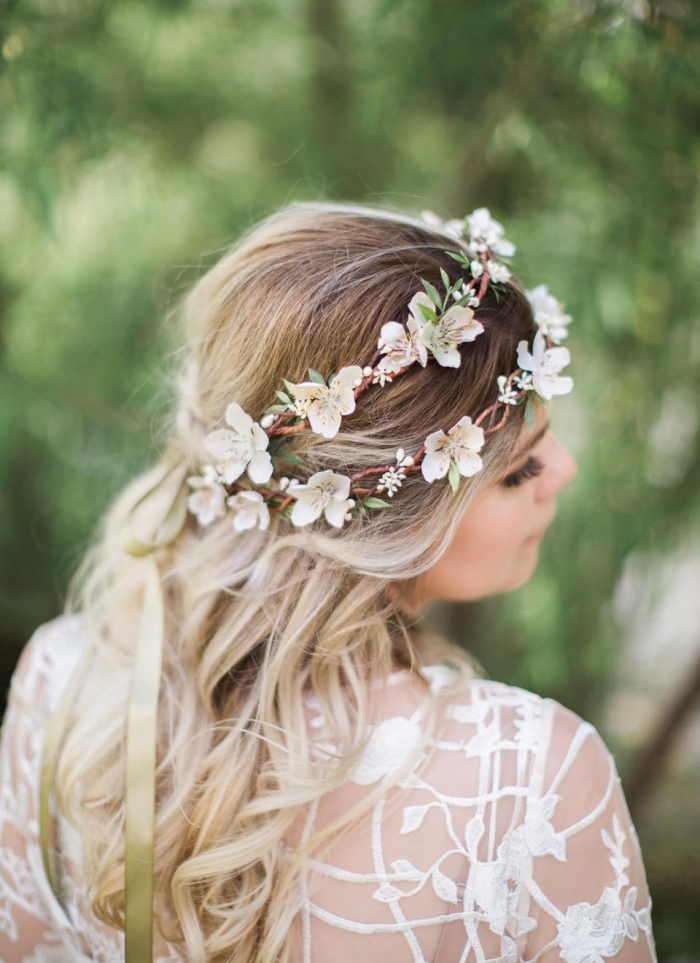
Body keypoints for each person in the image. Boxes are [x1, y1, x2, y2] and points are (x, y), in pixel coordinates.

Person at [0, 202, 656, 963]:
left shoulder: (65, 682)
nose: (565, 472)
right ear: (390, 518)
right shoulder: (531, 777)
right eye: (521, 469)